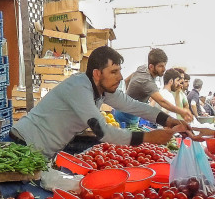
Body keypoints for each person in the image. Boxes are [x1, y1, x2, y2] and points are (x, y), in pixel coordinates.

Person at [10, 46, 186, 157]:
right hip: (23, 145)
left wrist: (167, 120)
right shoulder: (79, 88)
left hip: (41, 151)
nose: (120, 77)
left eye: (120, 71)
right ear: (97, 73)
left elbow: (134, 106)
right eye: (114, 72)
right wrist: (148, 137)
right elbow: (103, 132)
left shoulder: (103, 91)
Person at [115, 48, 193, 128]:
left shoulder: (143, 68)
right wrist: (182, 111)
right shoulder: (147, 81)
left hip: (129, 113)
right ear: (151, 66)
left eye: (164, 65)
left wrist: (129, 97)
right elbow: (162, 102)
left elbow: (127, 80)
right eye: (160, 66)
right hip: (125, 118)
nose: (164, 69)